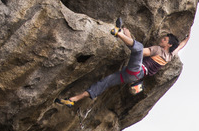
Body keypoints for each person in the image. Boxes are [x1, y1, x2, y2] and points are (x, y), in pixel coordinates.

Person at [55, 18, 189, 107]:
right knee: (105, 82)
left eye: (165, 40)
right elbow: (181, 45)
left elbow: (139, 51)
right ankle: (74, 100)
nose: (162, 40)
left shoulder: (157, 50)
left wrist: (125, 35)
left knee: (138, 48)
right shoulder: (170, 55)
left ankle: (118, 33)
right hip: (132, 75)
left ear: (169, 44)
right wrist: (188, 37)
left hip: (137, 70)